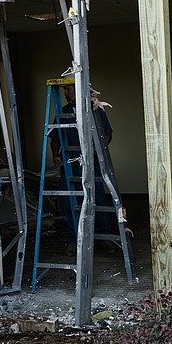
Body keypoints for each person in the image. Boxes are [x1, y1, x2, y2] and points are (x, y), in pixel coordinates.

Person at [50, 84, 116, 256]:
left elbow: (107, 134)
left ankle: (105, 238)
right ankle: (73, 240)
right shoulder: (62, 113)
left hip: (91, 164)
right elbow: (54, 137)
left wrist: (96, 150)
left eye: (68, 89)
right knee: (69, 204)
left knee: (97, 200)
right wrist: (55, 155)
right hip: (70, 165)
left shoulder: (95, 110)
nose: (65, 93)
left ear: (79, 89)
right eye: (64, 90)